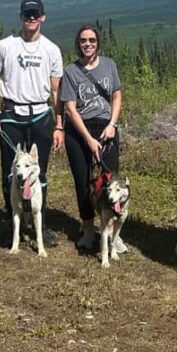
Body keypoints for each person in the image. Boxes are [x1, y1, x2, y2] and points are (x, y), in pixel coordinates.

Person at [0, 0, 64, 246]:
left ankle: (39, 222)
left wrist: (59, 124)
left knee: (39, 172)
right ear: (21, 17)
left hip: (41, 116)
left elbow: (56, 91)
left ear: (42, 17)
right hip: (10, 116)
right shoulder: (5, 46)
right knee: (11, 172)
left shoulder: (51, 49)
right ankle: (14, 218)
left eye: (35, 14)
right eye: (27, 14)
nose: (31, 18)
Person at [59, 24, 125, 252]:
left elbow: (116, 95)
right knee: (83, 181)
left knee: (110, 181)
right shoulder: (70, 72)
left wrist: (112, 125)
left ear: (98, 43)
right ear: (78, 44)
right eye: (83, 41)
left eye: (92, 40)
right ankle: (88, 229)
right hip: (79, 131)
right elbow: (70, 108)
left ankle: (113, 233)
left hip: (106, 128)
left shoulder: (109, 66)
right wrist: (87, 138)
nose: (87, 44)